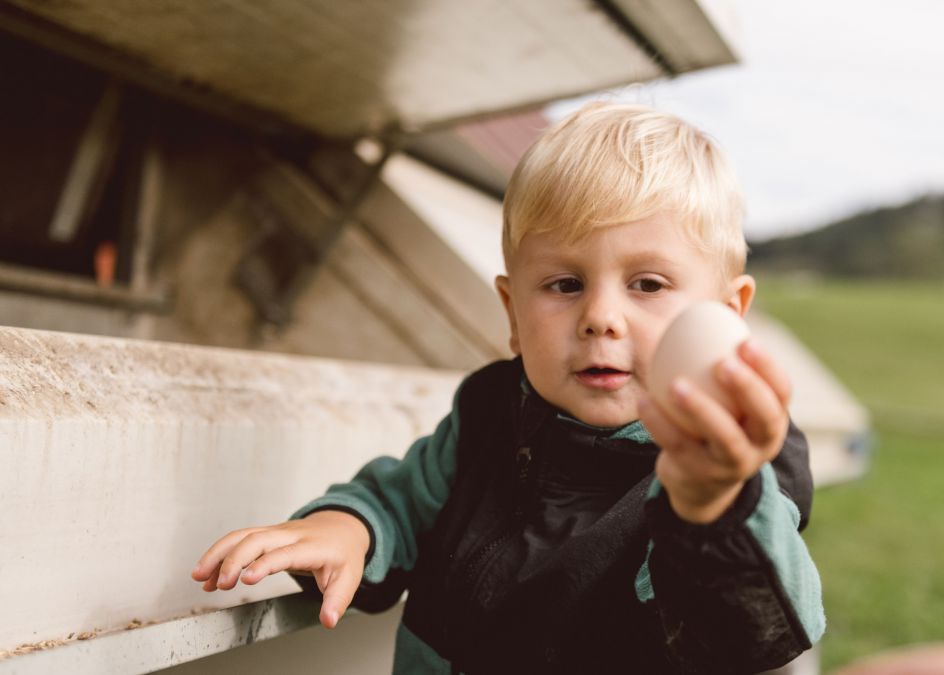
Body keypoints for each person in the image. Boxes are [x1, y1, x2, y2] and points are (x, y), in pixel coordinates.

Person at [191, 102, 825, 674]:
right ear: (513, 313)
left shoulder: (725, 470)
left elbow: (746, 632)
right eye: (565, 284)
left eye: (648, 285)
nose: (601, 316)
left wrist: (713, 507)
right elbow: (402, 500)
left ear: (726, 314)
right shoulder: (491, 418)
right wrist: (347, 528)